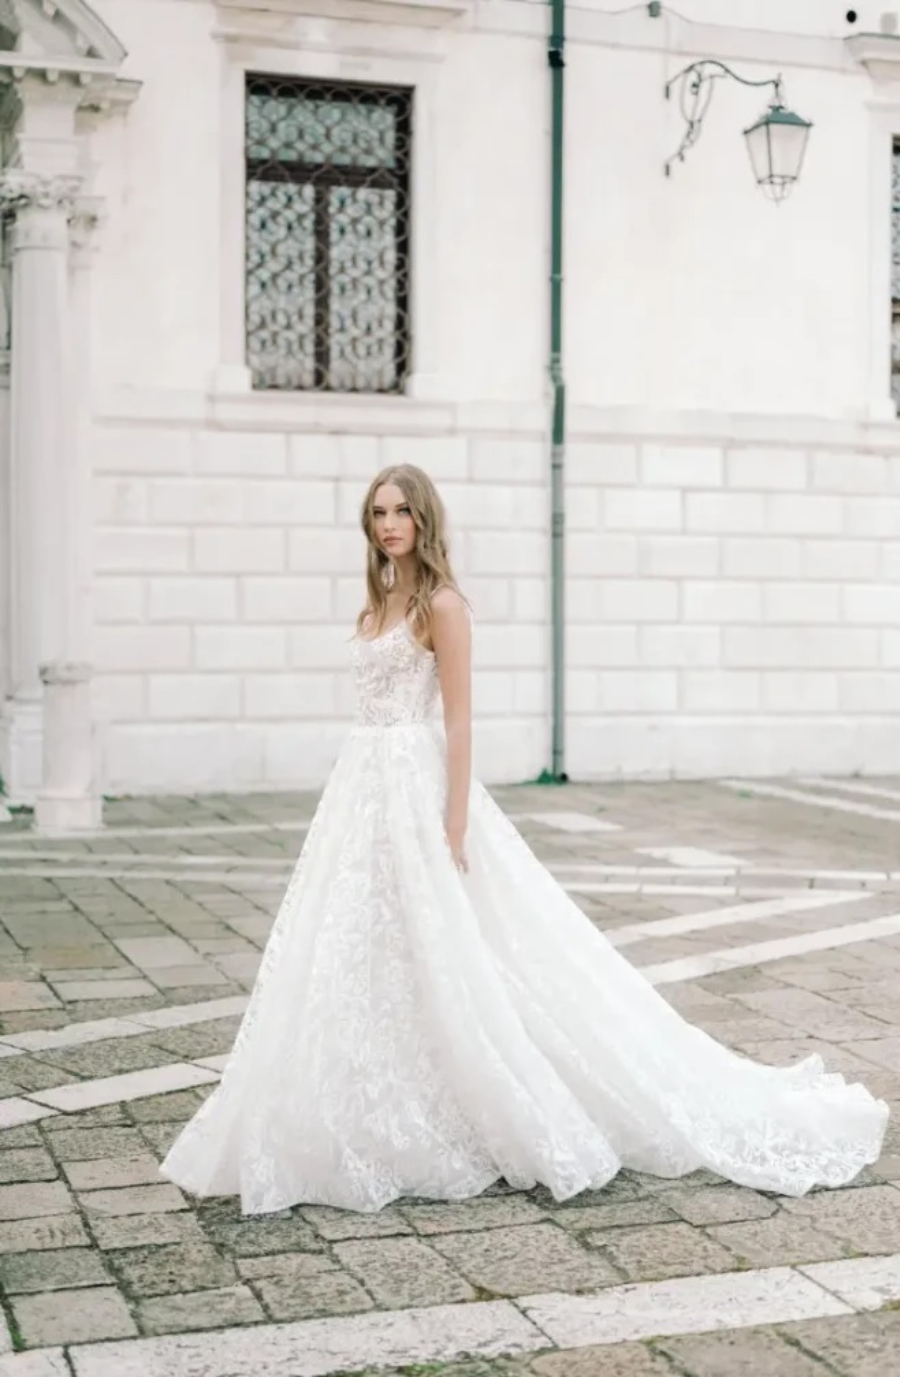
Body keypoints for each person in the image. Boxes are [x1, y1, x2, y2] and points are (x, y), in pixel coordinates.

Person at [160, 464, 889, 1216]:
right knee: (361, 938)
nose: (388, 523)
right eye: (378, 511)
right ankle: (376, 1092)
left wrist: (453, 817)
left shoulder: (442, 604)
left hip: (414, 777)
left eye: (402, 510)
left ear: (424, 518)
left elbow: (461, 715)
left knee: (453, 938)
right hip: (360, 784)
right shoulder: (379, 600)